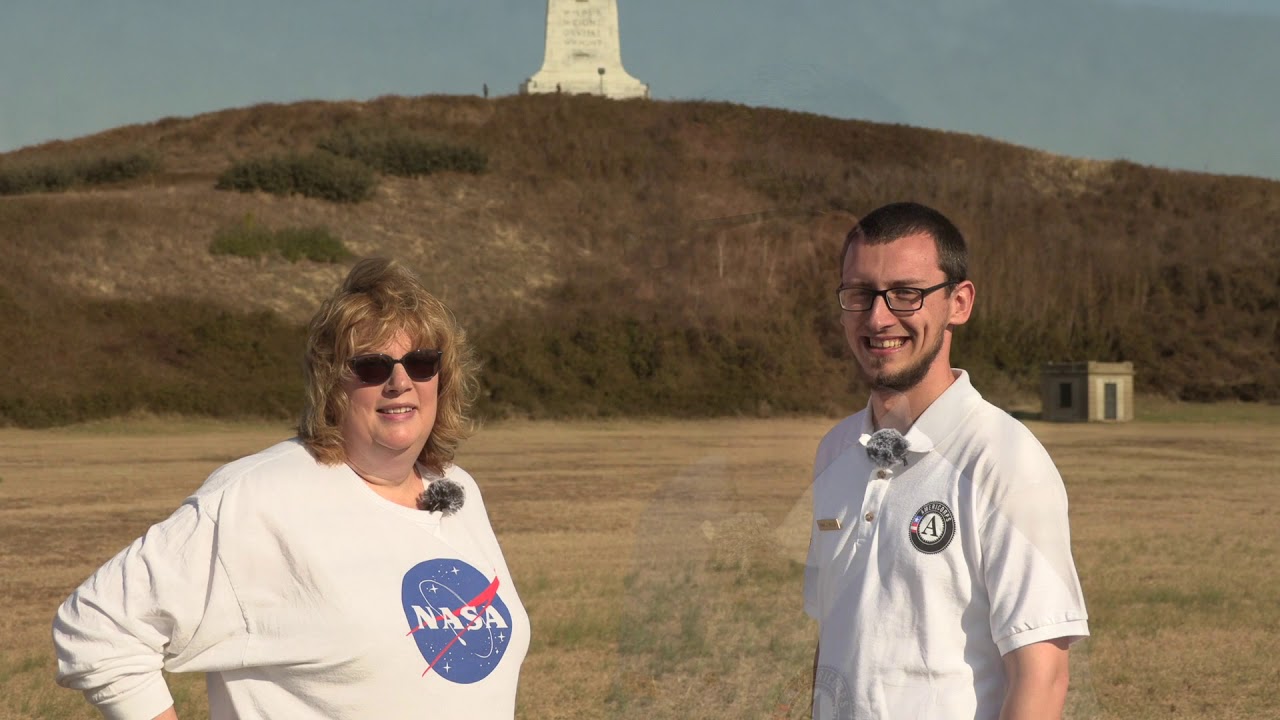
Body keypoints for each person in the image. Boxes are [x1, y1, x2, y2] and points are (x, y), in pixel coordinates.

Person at [53, 258, 528, 720]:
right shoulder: (262, 496)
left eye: (422, 362)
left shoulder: (456, 489)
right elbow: (98, 627)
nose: (400, 382)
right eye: (372, 367)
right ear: (330, 382)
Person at [804, 202, 1088, 719]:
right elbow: (836, 635)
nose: (877, 317)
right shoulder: (835, 451)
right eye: (860, 293)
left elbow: (1041, 676)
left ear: (959, 302)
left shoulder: (1005, 458)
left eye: (906, 294)